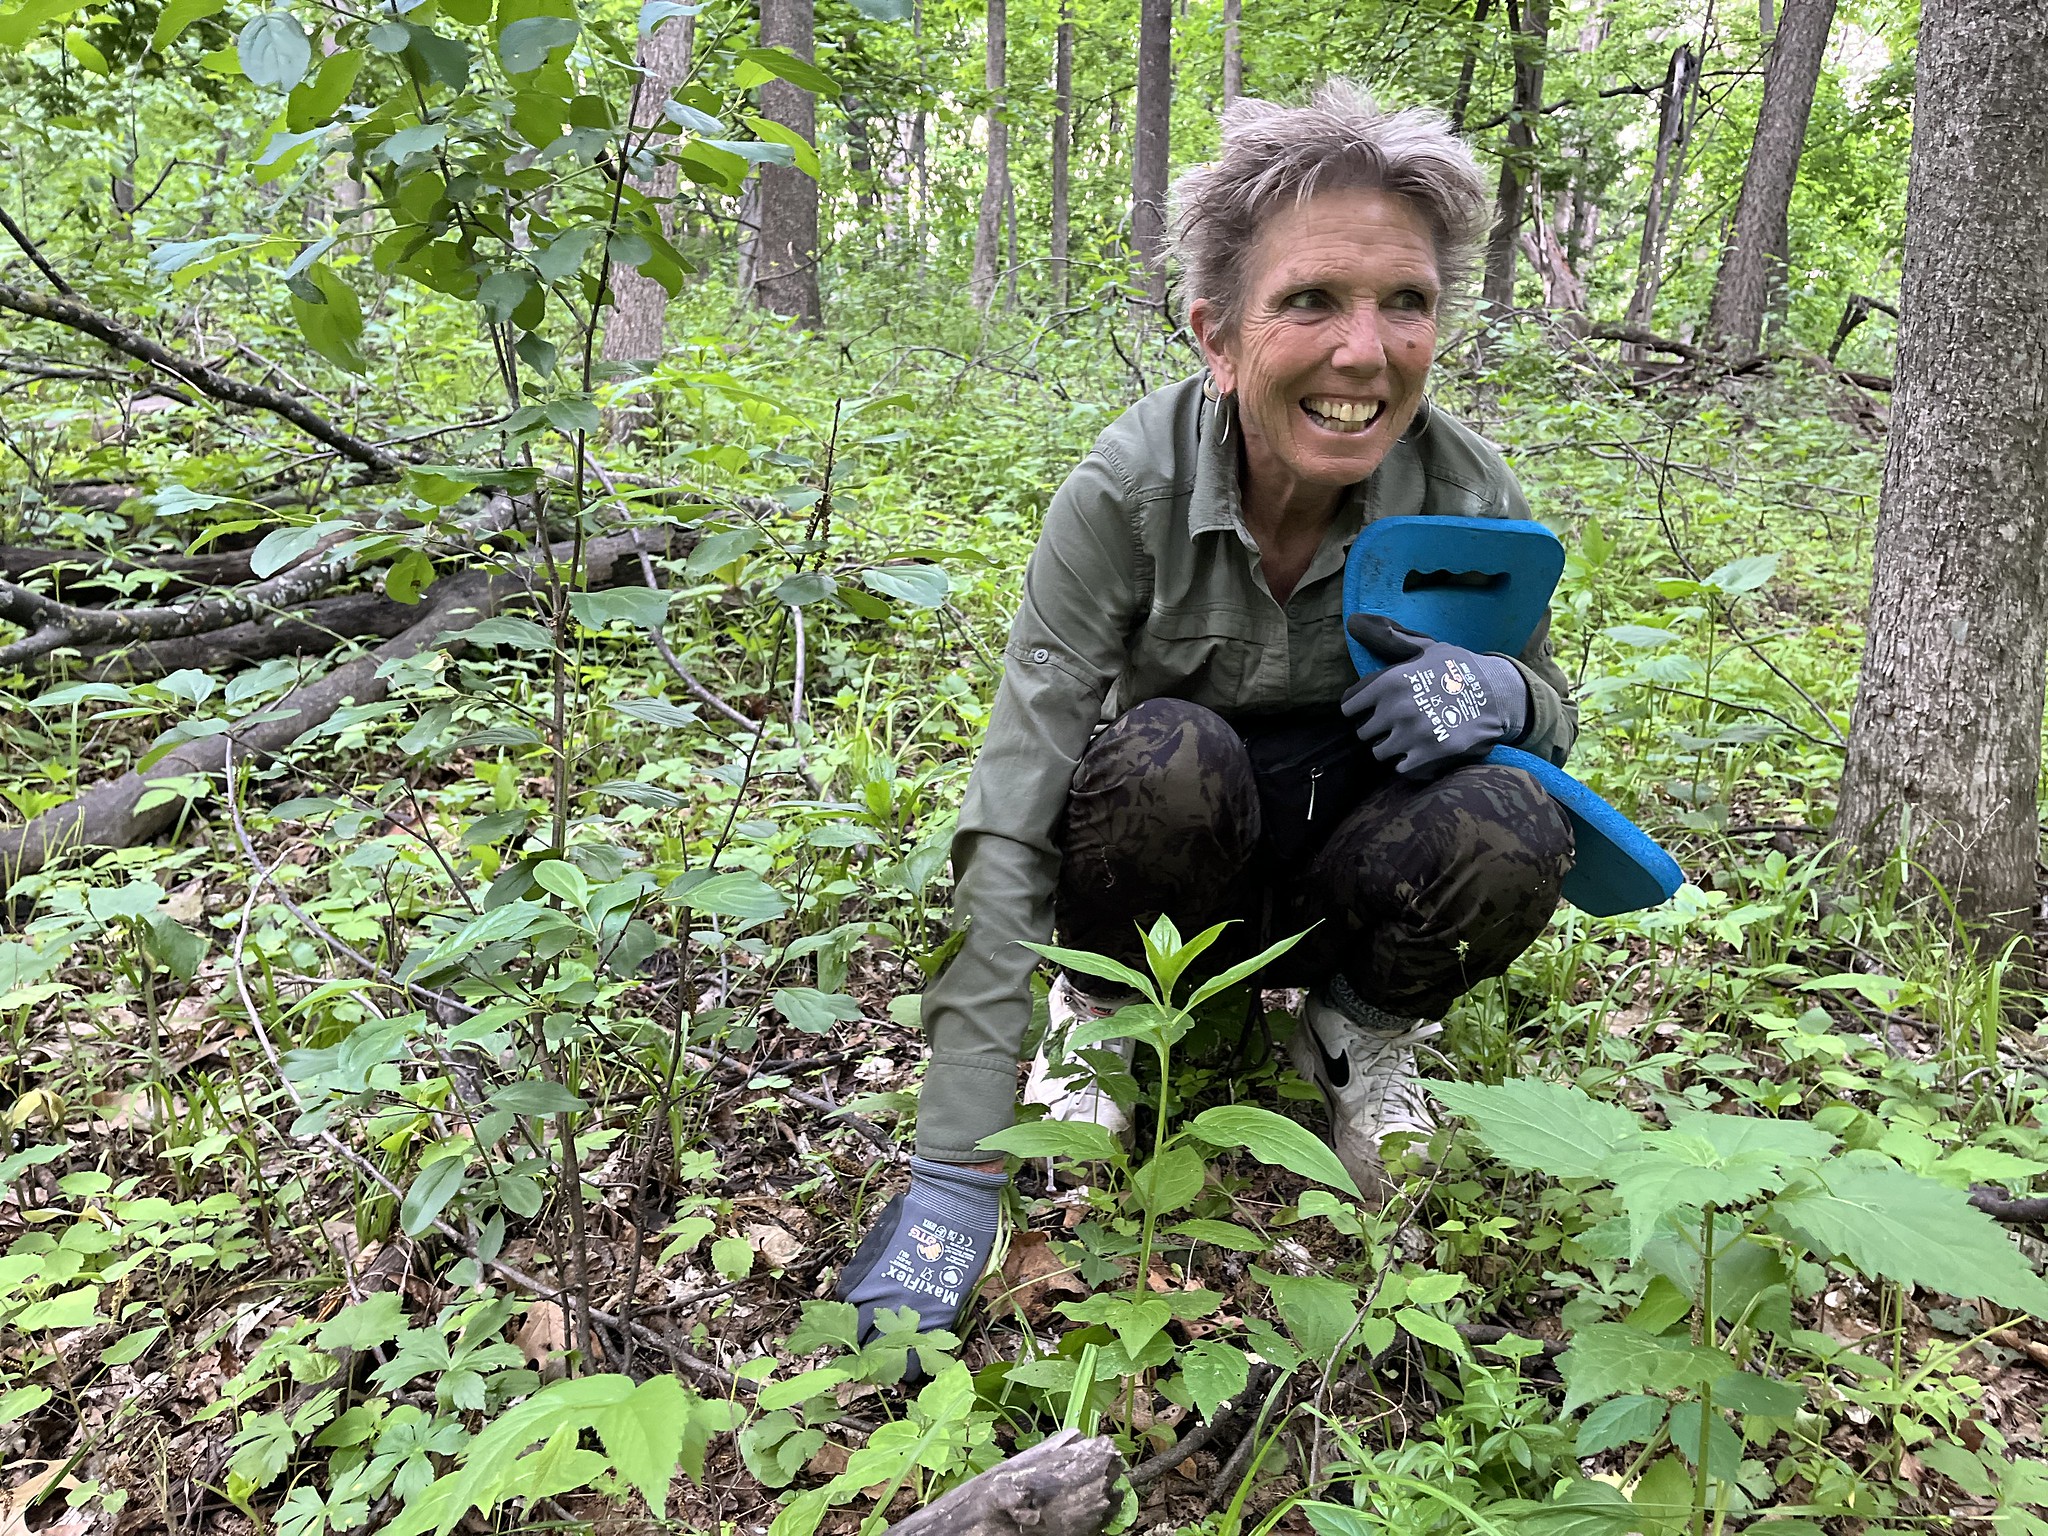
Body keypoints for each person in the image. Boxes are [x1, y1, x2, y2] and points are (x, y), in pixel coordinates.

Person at [835, 81, 1577, 1341]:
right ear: (1214, 335)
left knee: (1512, 815)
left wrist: (1505, 693)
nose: (1365, 352)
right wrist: (956, 1171)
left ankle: (1350, 1034)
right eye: (1309, 301)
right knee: (1165, 749)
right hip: (1174, 853)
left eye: (1404, 302)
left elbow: (1548, 726)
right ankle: (1110, 1019)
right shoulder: (1124, 494)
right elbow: (1013, 814)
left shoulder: (1463, 492)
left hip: (1347, 846)